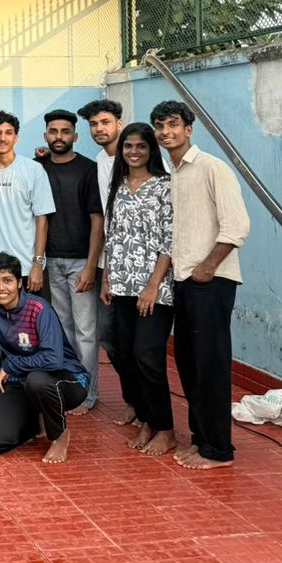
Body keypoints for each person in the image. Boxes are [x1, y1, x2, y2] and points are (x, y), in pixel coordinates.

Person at [151, 100, 250, 471]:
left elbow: (237, 226)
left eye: (173, 124)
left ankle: (219, 451)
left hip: (211, 280)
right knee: (190, 365)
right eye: (160, 126)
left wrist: (207, 268)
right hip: (185, 281)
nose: (166, 132)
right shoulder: (173, 173)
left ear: (188, 129)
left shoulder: (212, 167)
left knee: (211, 366)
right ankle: (202, 439)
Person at [102, 124, 176, 456]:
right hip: (121, 286)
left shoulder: (164, 186)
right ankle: (147, 420)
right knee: (127, 355)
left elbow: (168, 240)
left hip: (154, 290)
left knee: (148, 356)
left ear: (151, 150)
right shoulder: (117, 186)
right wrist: (107, 278)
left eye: (141, 146)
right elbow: (113, 236)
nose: (134, 152)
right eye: (128, 146)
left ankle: (166, 429)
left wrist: (152, 285)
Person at [0, 252, 89, 464]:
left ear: (19, 283)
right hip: (20, 381)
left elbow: (53, 359)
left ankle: (59, 434)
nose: (1, 288)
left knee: (37, 380)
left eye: (7, 280)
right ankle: (33, 419)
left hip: (65, 379)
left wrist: (11, 365)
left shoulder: (39, 309)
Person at [38, 109, 104, 413]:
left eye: (65, 131)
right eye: (53, 131)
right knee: (62, 330)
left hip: (80, 262)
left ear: (75, 136)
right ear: (45, 136)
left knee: (86, 332)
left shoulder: (88, 169)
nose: (59, 137)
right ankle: (68, 390)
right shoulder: (38, 167)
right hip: (51, 260)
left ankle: (87, 395)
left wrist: (91, 265)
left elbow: (97, 221)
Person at [77, 97, 136, 424]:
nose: (99, 129)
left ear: (118, 123)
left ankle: (145, 407)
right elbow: (100, 219)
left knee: (137, 340)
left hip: (137, 265)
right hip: (106, 265)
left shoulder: (138, 157)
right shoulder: (99, 162)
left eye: (105, 122)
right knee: (109, 336)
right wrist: (96, 266)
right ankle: (134, 400)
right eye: (94, 124)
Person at [0, 110, 55, 296]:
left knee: (32, 314)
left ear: (16, 138)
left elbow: (42, 220)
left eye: (8, 133)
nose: (2, 138)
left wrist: (38, 264)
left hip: (27, 268)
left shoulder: (33, 170)